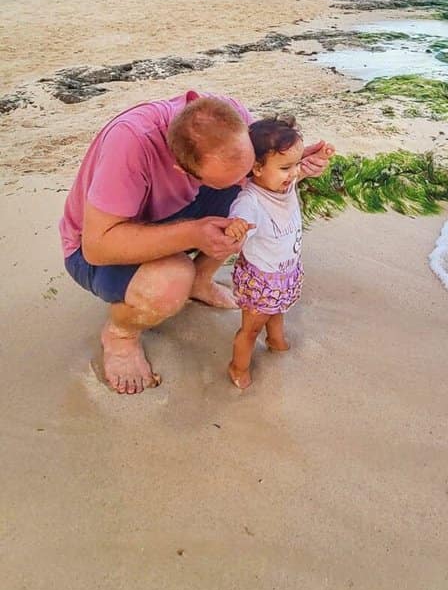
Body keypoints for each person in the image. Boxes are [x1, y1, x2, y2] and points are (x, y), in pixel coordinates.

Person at [60, 92, 332, 395]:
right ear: (182, 170)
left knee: (247, 208)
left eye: (249, 167)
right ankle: (120, 335)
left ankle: (200, 282)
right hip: (95, 247)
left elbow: (258, 171)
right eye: (234, 177)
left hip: (174, 212)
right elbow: (97, 247)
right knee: (172, 279)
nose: (247, 178)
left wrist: (293, 163)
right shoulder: (130, 144)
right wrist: (193, 233)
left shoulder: (228, 117)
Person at [224, 117, 334, 389]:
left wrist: (314, 158)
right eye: (286, 167)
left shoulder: (283, 184)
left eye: (296, 164)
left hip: (285, 272)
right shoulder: (250, 201)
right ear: (257, 168)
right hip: (261, 279)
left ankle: (275, 340)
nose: (294, 173)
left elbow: (299, 173)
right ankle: (238, 366)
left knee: (279, 309)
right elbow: (240, 217)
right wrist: (236, 226)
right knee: (251, 329)